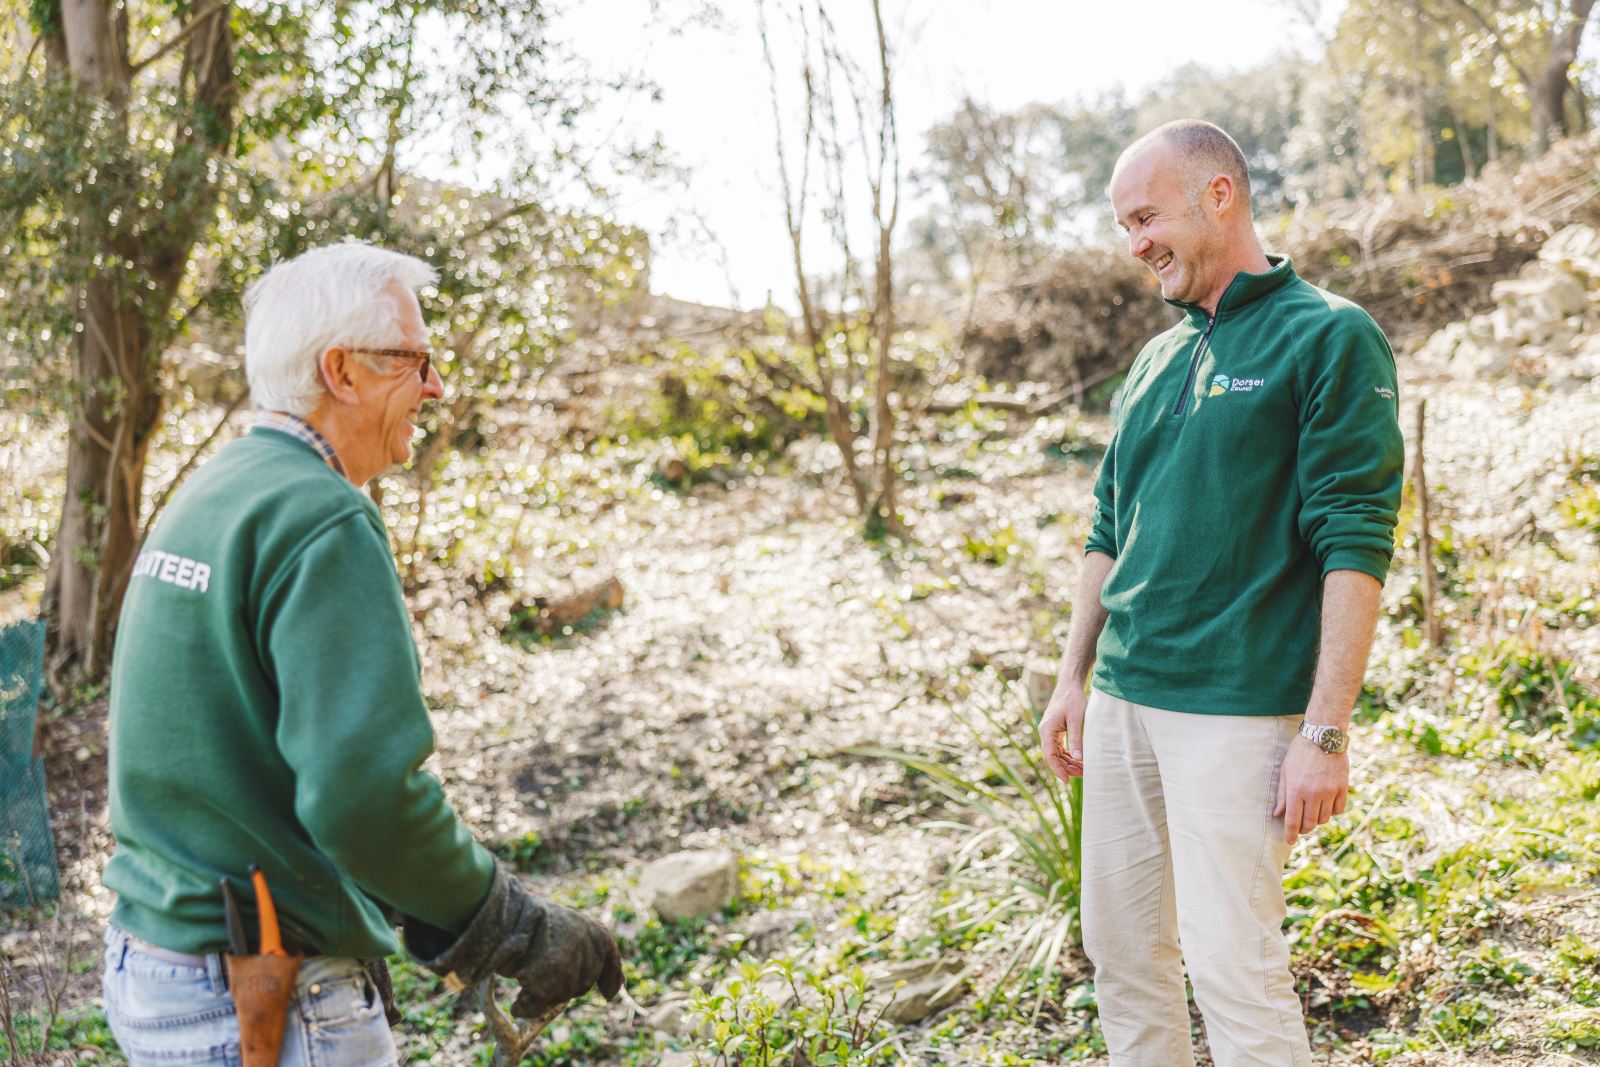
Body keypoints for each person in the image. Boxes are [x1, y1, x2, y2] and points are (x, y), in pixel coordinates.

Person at [101, 241, 622, 1066]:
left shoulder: (215, 490)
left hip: (155, 968)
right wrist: (507, 920)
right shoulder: (322, 517)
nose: (436, 386)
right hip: (264, 996)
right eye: (413, 361)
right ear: (341, 372)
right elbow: (361, 799)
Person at [1038, 121, 1403, 1066]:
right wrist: (1071, 678)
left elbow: (1355, 539)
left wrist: (1326, 728)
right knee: (1123, 956)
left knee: (1234, 966)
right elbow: (1107, 532)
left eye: (1146, 216)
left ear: (1220, 195)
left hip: (1237, 713)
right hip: (1121, 705)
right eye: (1123, 225)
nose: (1135, 244)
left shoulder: (1327, 334)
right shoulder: (1153, 364)